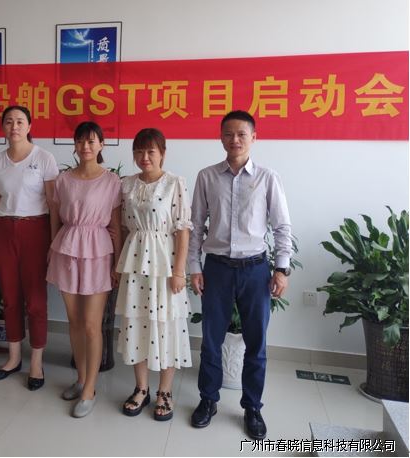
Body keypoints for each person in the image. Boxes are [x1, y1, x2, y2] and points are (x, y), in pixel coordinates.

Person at [188, 110, 292, 440]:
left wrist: (281, 269)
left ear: (253, 138)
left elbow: (282, 226)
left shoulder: (268, 178)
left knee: (256, 343)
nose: (235, 140)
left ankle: (252, 407)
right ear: (220, 137)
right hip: (217, 268)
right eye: (228, 134)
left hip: (255, 270)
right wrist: (194, 266)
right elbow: (195, 226)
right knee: (211, 341)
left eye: (241, 134)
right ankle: (208, 399)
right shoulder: (207, 177)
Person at [115, 128, 193, 421]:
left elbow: (182, 230)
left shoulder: (174, 183)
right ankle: (141, 388)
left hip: (165, 264)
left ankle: (165, 392)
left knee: (166, 324)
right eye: (139, 151)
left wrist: (179, 271)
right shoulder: (126, 184)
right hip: (135, 262)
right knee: (137, 322)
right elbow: (123, 226)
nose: (144, 157)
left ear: (162, 153)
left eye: (150, 151)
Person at [47, 121, 121, 417]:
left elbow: (116, 226)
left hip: (98, 252)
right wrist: (51, 248)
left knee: (92, 324)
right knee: (74, 321)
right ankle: (80, 379)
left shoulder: (111, 181)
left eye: (91, 141)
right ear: (75, 145)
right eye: (80, 141)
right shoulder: (63, 179)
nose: (85, 146)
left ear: (102, 144)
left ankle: (90, 389)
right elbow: (55, 219)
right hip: (66, 248)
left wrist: (117, 262)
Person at [0, 105, 58, 390]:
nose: (14, 126)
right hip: (4, 232)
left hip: (36, 231)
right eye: (8, 122)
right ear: (3, 127)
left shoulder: (44, 158)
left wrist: (53, 242)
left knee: (36, 301)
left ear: (29, 126)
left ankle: (36, 363)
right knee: (10, 298)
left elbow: (53, 205)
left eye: (19, 121)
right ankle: (13, 358)